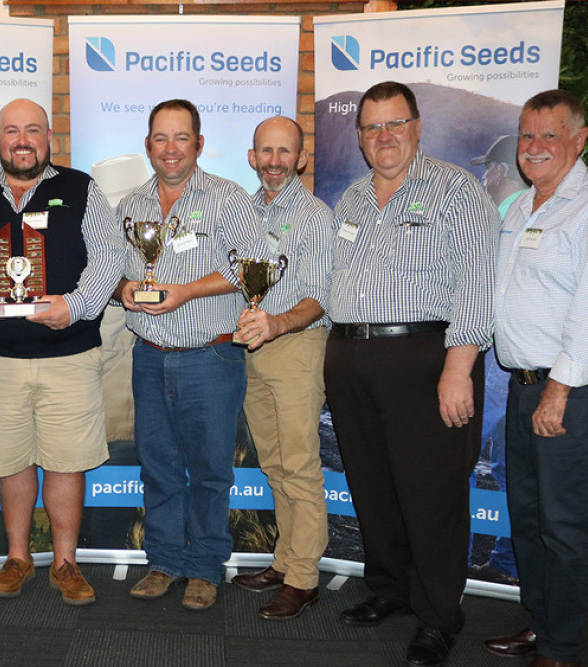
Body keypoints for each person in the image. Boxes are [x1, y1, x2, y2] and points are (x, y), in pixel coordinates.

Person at [324, 81, 496, 666]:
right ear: (361, 137)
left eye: (395, 124)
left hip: (425, 359)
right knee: (372, 486)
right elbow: (330, 285)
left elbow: (477, 287)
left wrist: (458, 368)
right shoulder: (349, 201)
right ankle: (390, 588)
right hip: (351, 356)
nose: (384, 136)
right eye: (372, 127)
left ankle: (438, 615)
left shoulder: (456, 191)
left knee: (431, 495)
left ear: (417, 127)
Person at [0, 98, 122, 606]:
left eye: (33, 130)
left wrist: (75, 305)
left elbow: (110, 257)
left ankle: (65, 563)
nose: (22, 140)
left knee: (67, 462)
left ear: (50, 137)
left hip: (68, 355)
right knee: (10, 461)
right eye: (11, 131)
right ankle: (18, 556)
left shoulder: (80, 187)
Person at [116, 99, 266, 611]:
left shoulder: (228, 198)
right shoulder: (131, 204)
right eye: (161, 138)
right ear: (148, 145)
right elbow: (110, 273)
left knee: (208, 470)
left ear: (199, 144)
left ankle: (204, 567)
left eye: (182, 138)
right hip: (149, 356)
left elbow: (252, 267)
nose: (171, 148)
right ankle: (162, 561)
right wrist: (124, 290)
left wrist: (184, 291)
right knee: (158, 466)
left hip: (210, 357)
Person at [484, 89, 588, 667]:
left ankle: (565, 646)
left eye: (550, 135)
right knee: (527, 518)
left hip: (565, 395)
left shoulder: (585, 206)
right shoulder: (521, 207)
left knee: (564, 526)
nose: (536, 147)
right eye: (527, 136)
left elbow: (587, 309)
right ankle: (541, 622)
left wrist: (559, 390)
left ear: (579, 138)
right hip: (521, 387)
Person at [230, 116, 332, 620]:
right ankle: (284, 559)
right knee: (273, 465)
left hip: (296, 347)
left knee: (299, 465)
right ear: (252, 157)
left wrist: (276, 325)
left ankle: (305, 579)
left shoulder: (315, 216)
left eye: (284, 152)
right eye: (265, 152)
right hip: (251, 351)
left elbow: (319, 297)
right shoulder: (242, 212)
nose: (274, 161)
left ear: (301, 158)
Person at [467, 134, 526, 587]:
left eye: (488, 167)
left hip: (493, 358)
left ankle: (458, 556)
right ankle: (508, 561)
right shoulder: (527, 210)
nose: (484, 176)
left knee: (456, 458)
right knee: (510, 467)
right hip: (513, 360)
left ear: (499, 172)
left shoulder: (507, 215)